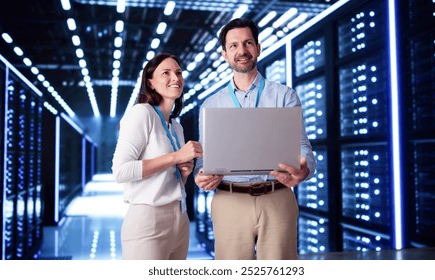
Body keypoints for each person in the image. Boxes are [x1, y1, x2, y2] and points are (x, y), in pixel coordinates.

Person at [193, 18, 316, 260]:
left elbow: (302, 145)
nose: (242, 51)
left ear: (258, 48)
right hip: (229, 200)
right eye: (234, 45)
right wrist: (201, 176)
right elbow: (204, 159)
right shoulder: (211, 104)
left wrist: (305, 169)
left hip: (277, 197)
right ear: (224, 54)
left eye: (248, 43)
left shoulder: (284, 95)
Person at [112, 53, 203, 260]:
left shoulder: (176, 127)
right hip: (148, 221)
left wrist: (185, 173)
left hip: (179, 218)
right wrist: (175, 157)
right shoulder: (141, 113)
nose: (176, 78)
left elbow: (168, 178)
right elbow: (120, 171)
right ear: (150, 83)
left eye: (179, 73)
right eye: (166, 73)